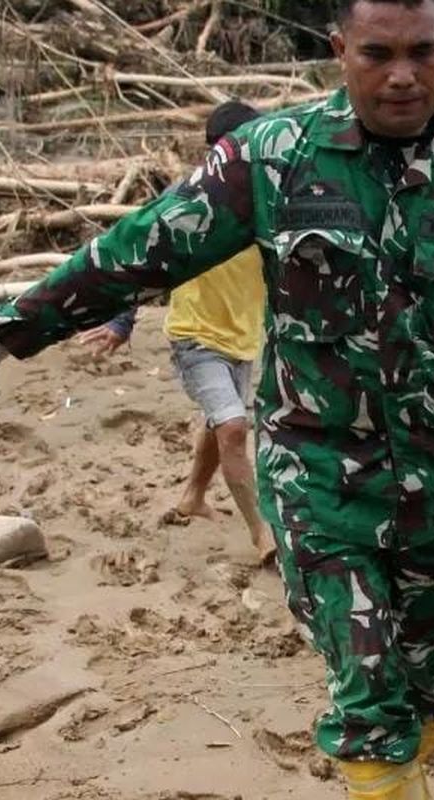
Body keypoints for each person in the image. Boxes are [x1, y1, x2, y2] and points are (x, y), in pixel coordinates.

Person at [0, 0, 434, 795]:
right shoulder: (272, 158)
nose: (401, 75)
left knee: (432, 680)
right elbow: (142, 248)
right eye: (377, 52)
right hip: (321, 477)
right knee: (370, 699)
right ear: (339, 50)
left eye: (421, 52)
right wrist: (4, 333)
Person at [71, 100, 277, 566]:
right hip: (194, 336)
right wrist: (122, 322)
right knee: (232, 426)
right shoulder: (189, 202)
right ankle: (261, 533)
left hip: (242, 338)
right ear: (221, 152)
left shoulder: (268, 203)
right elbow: (145, 259)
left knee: (218, 422)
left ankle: (192, 496)